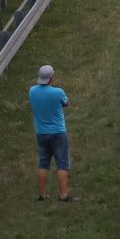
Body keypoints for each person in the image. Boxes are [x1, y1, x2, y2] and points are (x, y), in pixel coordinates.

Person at [30, 64, 74, 202]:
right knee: (62, 164)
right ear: (51, 78)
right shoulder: (58, 92)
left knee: (43, 163)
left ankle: (42, 195)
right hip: (58, 133)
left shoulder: (32, 91)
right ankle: (63, 195)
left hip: (41, 133)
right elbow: (66, 103)